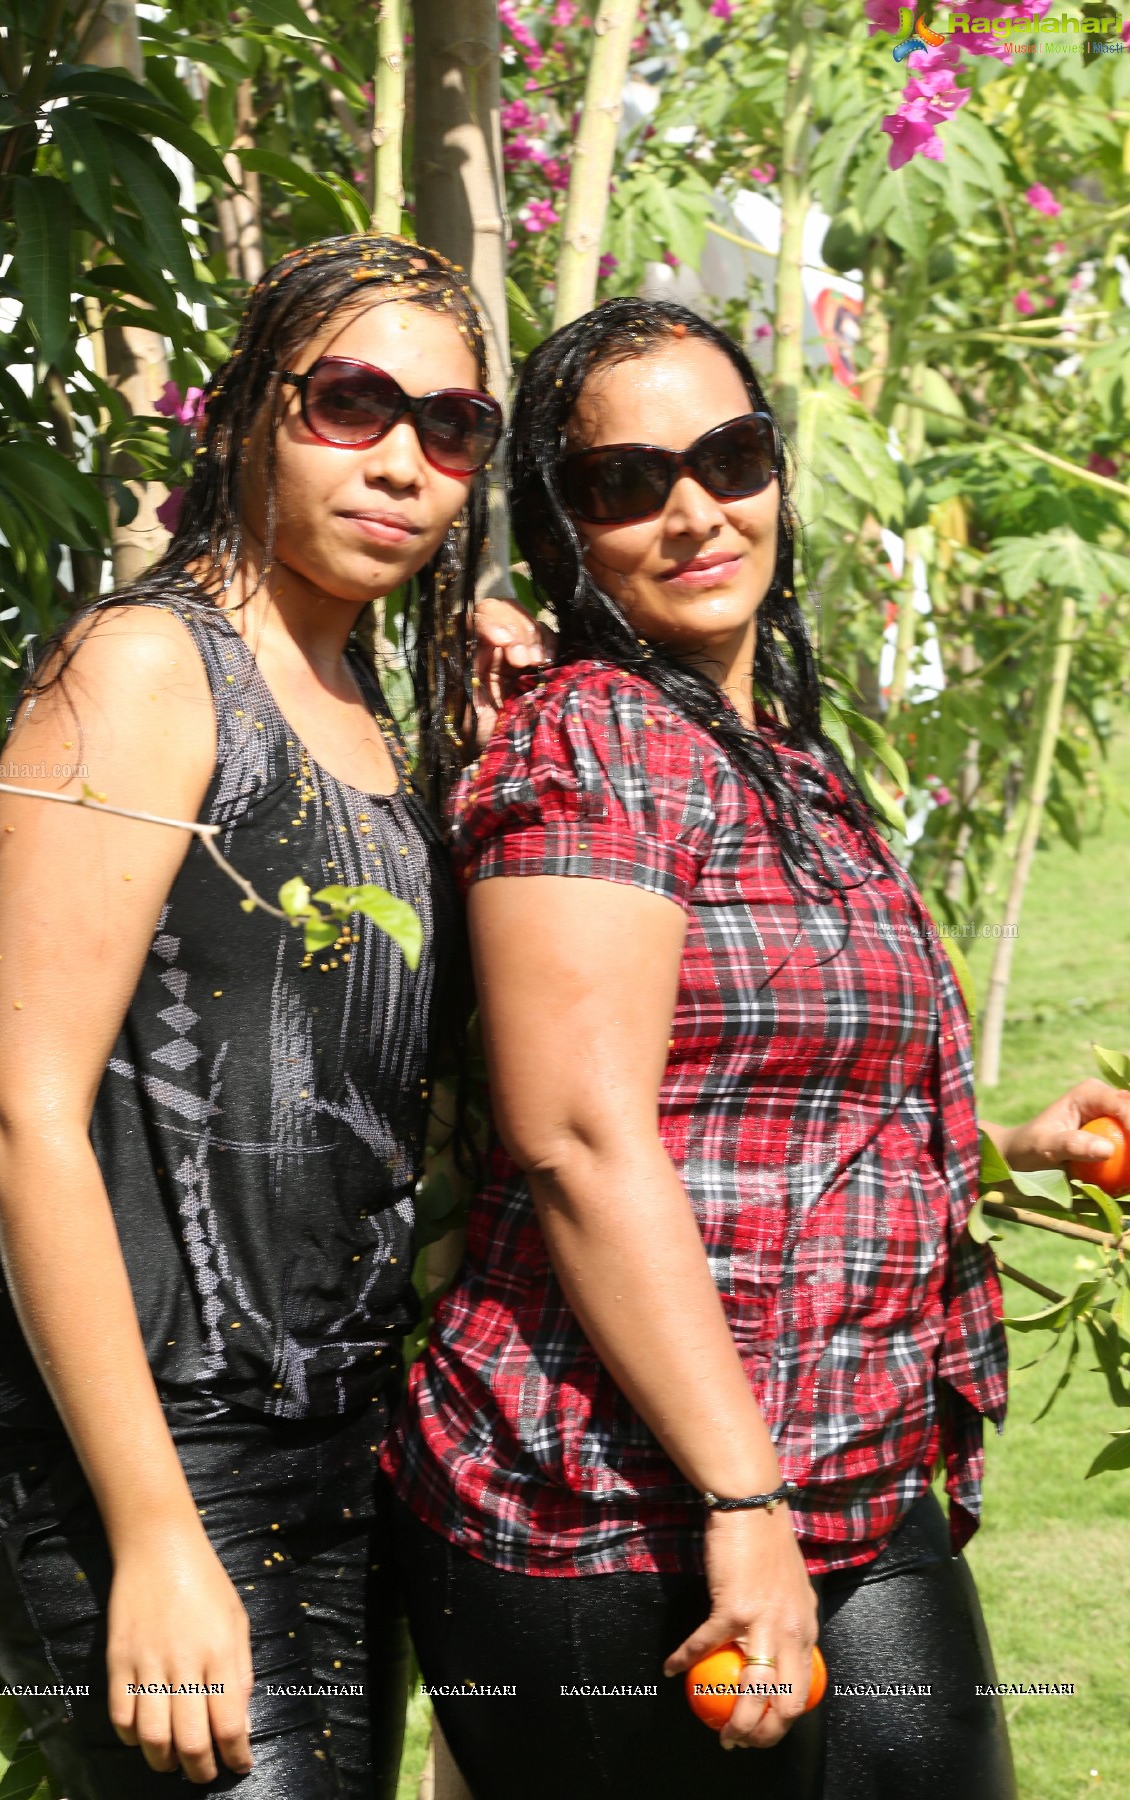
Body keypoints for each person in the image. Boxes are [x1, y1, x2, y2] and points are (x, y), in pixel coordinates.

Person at [380, 296, 1130, 1800]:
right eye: (626, 480)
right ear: (559, 528)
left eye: (729, 455)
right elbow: (581, 1137)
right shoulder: (592, 740)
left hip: (845, 1476)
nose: (694, 509)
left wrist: (1010, 1150)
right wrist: (740, 1499)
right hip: (613, 1510)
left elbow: (760, 1112)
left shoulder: (772, 751)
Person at [0, 233, 542, 1800]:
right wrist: (151, 1531)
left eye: (452, 427)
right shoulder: (145, 668)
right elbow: (25, 1115)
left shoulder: (374, 710)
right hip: (134, 1446)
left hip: (339, 1443)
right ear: (251, 416)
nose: (404, 461)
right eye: (353, 404)